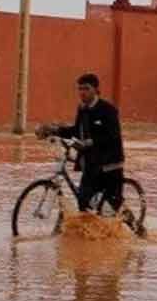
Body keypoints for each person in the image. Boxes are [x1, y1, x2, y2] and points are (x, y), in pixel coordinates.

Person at [36, 73, 126, 214]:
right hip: (91, 163)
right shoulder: (82, 109)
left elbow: (113, 137)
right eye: (80, 89)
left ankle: (137, 229)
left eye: (86, 88)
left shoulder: (108, 110)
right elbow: (76, 131)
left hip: (110, 165)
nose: (82, 92)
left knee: (111, 209)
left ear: (96, 90)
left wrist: (91, 142)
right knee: (83, 203)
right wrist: (54, 130)